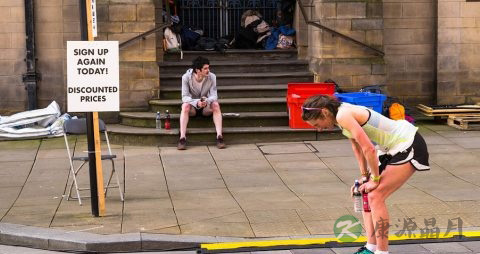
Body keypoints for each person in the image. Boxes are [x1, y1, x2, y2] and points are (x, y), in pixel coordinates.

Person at [302, 95, 430, 254]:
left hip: (407, 142)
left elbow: (368, 148)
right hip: (390, 148)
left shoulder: (343, 115)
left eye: (317, 124)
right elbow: (357, 148)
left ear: (324, 113)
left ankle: (382, 252)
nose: (318, 129)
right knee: (365, 192)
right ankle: (371, 247)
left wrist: (375, 179)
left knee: (376, 195)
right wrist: (364, 176)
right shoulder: (339, 115)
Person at [178, 56, 225, 150]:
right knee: (185, 106)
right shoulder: (186, 77)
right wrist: (196, 102)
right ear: (198, 70)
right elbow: (184, 97)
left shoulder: (212, 76)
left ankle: (219, 137)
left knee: (216, 104)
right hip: (192, 107)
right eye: (205, 68)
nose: (208, 70)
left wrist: (206, 100)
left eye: (208, 67)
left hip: (205, 107)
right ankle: (182, 138)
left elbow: (214, 96)